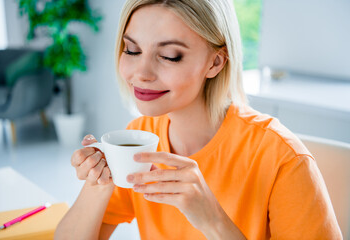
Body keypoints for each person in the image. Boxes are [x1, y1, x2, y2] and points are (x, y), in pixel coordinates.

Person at [55, 0, 342, 239]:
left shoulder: (283, 158)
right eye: (132, 50)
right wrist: (98, 185)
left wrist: (213, 220)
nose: (141, 72)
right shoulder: (140, 136)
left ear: (215, 62)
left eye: (169, 56)